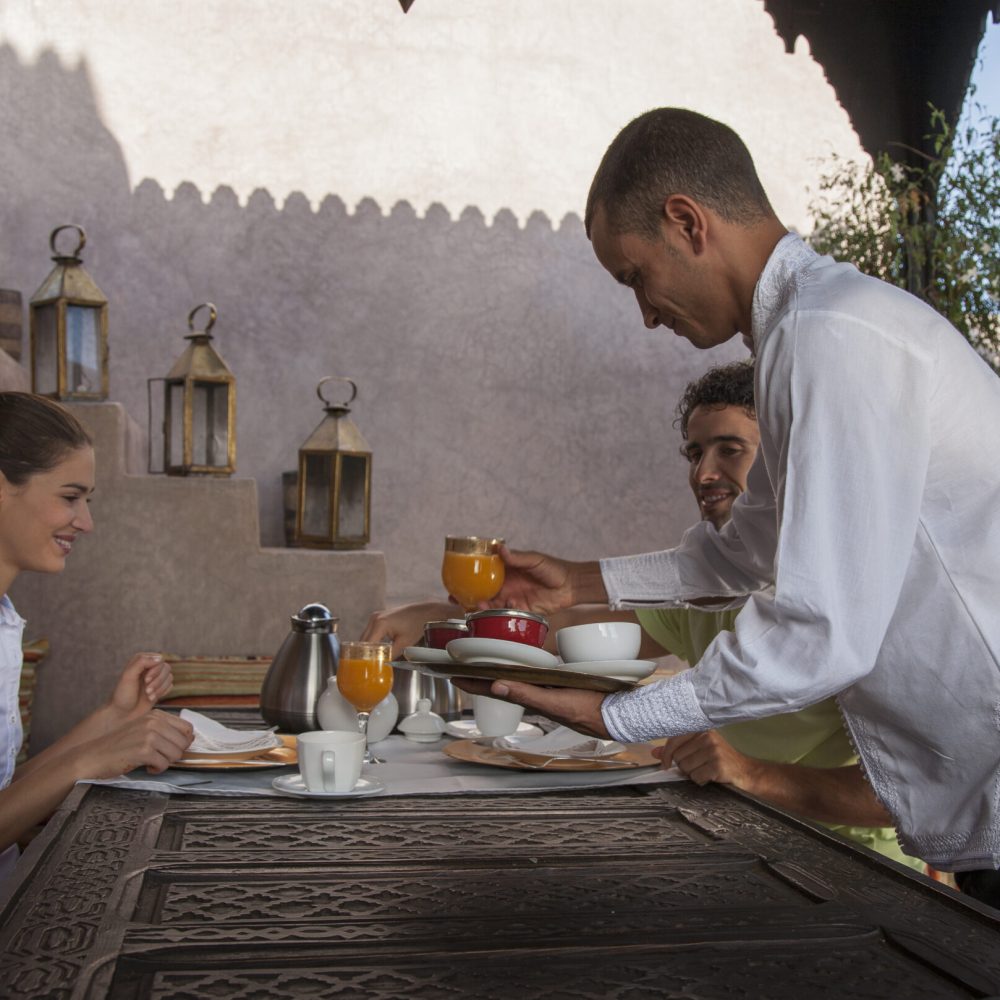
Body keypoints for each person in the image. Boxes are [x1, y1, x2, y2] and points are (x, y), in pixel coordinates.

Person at [454, 108, 1000, 896]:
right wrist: (579, 581)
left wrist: (619, 717)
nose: (644, 314)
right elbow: (748, 550)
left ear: (686, 221)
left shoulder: (833, 335)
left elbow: (820, 632)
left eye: (636, 276)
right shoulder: (807, 335)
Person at [363, 361, 920, 869]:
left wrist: (755, 775)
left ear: (789, 460)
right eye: (695, 453)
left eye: (730, 449)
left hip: (852, 866)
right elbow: (573, 641)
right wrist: (447, 620)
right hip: (739, 841)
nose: (703, 474)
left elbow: (905, 793)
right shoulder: (707, 582)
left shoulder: (865, 588)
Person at [0, 392, 193, 883]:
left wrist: (113, 718)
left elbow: (10, 797)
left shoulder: (5, 619)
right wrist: (94, 756)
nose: (86, 522)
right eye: (70, 497)